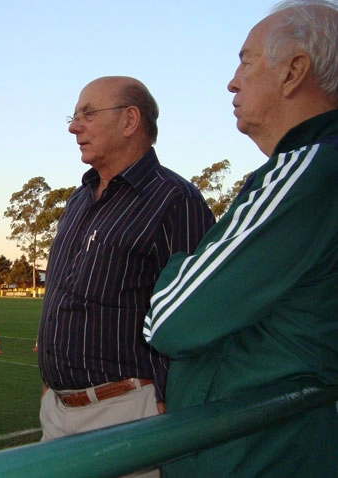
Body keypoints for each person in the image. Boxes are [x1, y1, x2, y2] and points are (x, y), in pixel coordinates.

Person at [144, 1, 338, 475]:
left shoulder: (307, 171)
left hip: (258, 457)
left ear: (294, 72)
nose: (232, 80)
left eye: (246, 60)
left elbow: (169, 319)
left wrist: (178, 265)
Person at [37, 76, 214, 475]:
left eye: (87, 114)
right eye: (73, 115)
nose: (73, 126)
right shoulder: (79, 199)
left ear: (130, 120)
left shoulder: (175, 199)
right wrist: (52, 385)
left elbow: (195, 313)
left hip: (128, 413)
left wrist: (169, 400)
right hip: (58, 412)